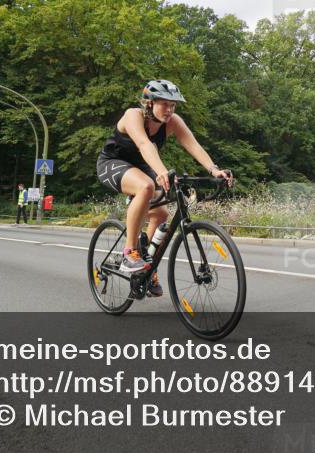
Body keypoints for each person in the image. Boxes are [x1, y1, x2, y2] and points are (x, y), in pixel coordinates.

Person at [96, 79, 233, 297]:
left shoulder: (173, 122)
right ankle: (129, 253)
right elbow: (144, 145)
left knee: (161, 213)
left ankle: (147, 268)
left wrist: (214, 170)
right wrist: (161, 171)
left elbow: (193, 144)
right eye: (164, 104)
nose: (169, 110)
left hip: (141, 166)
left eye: (173, 105)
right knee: (147, 186)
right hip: (113, 163)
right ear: (149, 103)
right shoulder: (133, 115)